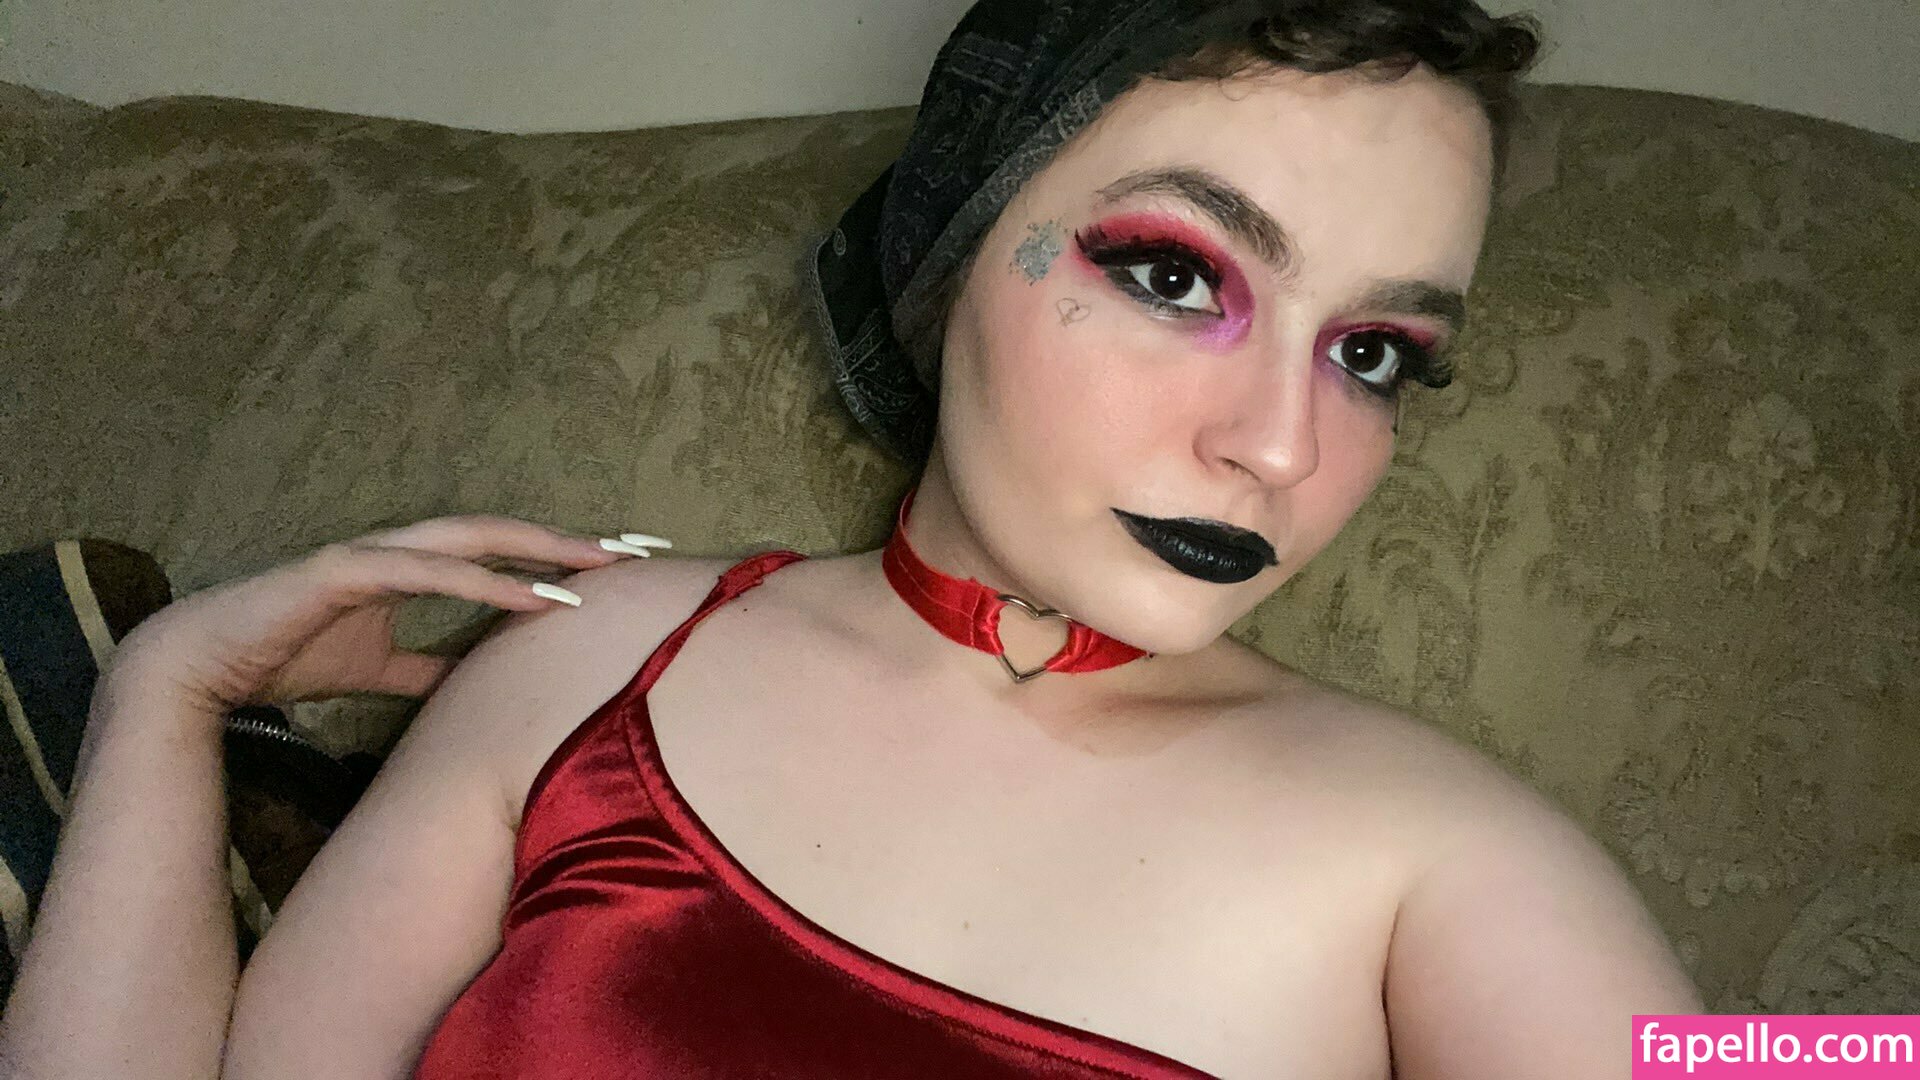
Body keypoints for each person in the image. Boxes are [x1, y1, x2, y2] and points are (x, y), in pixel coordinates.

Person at [0, 0, 1705, 1076]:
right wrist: (165, 691)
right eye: (1175, 275)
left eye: (1375, 355)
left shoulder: (1445, 862)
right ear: (950, 253)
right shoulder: (600, 653)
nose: (1279, 443)